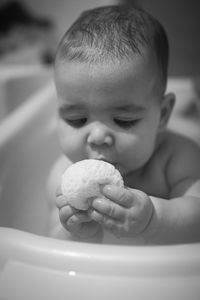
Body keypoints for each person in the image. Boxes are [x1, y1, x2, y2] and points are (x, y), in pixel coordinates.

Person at [49, 5, 200, 244]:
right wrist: (75, 231)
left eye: (124, 121)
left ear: (162, 115)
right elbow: (52, 243)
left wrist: (154, 220)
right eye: (77, 119)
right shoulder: (61, 174)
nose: (97, 136)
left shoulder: (177, 158)